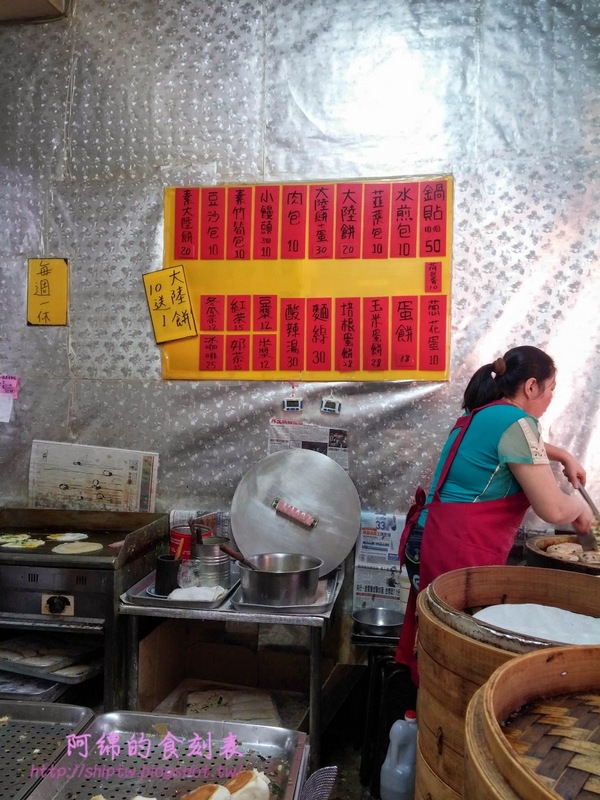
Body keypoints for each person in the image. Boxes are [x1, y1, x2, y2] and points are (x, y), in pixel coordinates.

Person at [395, 345, 594, 684]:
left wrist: (563, 455)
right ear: (531, 387)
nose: (550, 400)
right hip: (455, 545)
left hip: (430, 538)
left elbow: (518, 447)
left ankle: (412, 720)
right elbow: (553, 509)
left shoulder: (486, 413)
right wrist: (581, 510)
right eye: (551, 390)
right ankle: (432, 726)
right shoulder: (516, 422)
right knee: (452, 653)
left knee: (434, 636)